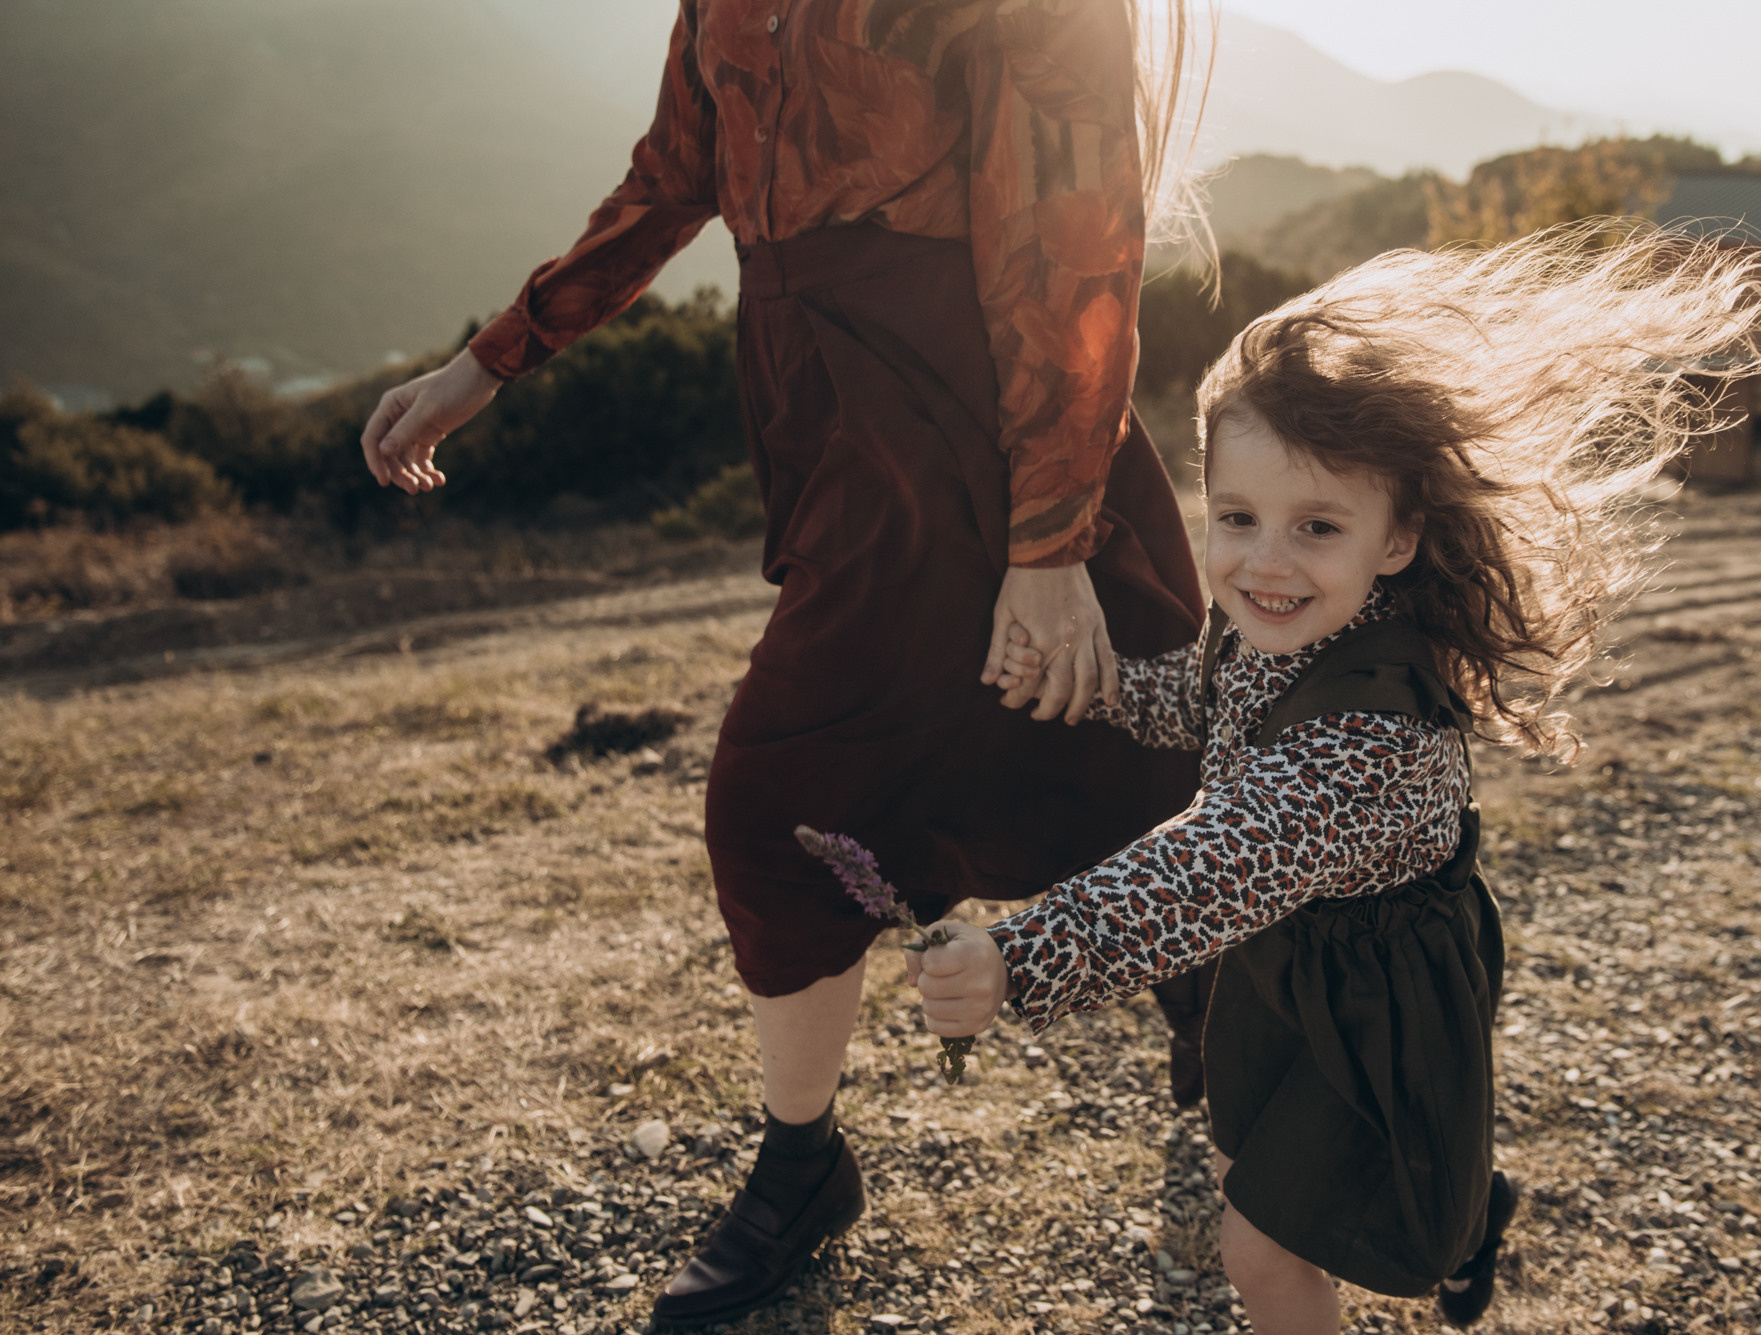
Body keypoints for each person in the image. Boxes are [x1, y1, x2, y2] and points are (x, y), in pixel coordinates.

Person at [357, 0, 1219, 1328]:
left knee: (785, 791)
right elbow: (673, 175)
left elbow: (1076, 242)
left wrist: (1049, 542)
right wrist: (491, 360)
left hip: (966, 416)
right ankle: (1240, 1046)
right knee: (1117, 752)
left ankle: (806, 1163)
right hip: (822, 413)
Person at [912, 223, 1761, 1332]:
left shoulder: (1370, 740)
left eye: (1316, 526)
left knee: (1260, 1244)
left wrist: (1023, 954)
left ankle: (1463, 1219)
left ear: (1394, 541)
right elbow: (1206, 713)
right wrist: (1099, 686)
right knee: (1246, 1174)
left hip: (1381, 995)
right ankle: (1461, 1207)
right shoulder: (1265, 628)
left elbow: (1218, 862)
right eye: (1238, 518)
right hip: (1282, 959)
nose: (1264, 560)